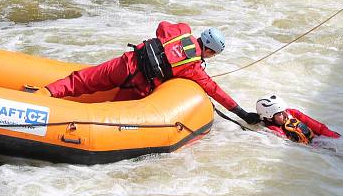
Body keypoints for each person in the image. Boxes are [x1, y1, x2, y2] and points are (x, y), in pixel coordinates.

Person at [35, 21, 261, 125]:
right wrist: (242, 113)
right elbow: (215, 91)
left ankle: (44, 94)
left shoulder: (182, 30)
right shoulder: (193, 68)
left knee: (82, 80)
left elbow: (162, 26)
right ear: (210, 50)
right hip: (138, 85)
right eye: (213, 54)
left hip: (124, 63)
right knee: (108, 114)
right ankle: (65, 121)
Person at [254, 94, 341, 144]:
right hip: (314, 147)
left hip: (321, 140)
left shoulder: (292, 113)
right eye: (280, 113)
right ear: (269, 118)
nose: (286, 114)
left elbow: (319, 128)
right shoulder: (272, 131)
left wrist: (337, 138)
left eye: (284, 110)